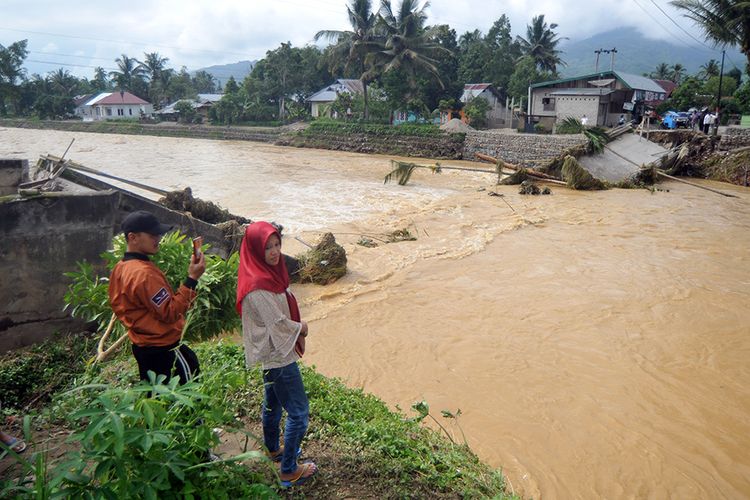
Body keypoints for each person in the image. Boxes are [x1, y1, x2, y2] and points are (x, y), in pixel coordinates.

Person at [236, 221, 317, 488]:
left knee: (273, 402)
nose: (274, 252)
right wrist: (302, 328)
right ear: (254, 250)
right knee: (299, 412)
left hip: (273, 351)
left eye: (276, 245)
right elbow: (279, 324)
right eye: (267, 247)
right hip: (278, 354)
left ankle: (272, 448)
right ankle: (289, 469)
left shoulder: (266, 274)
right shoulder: (258, 285)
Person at [109, 210, 206, 384]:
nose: (158, 238)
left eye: (158, 234)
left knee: (156, 398)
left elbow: (117, 305)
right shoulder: (144, 274)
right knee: (189, 396)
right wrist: (192, 279)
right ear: (133, 237)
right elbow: (170, 312)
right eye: (152, 235)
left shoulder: (121, 268)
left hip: (142, 347)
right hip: (164, 350)